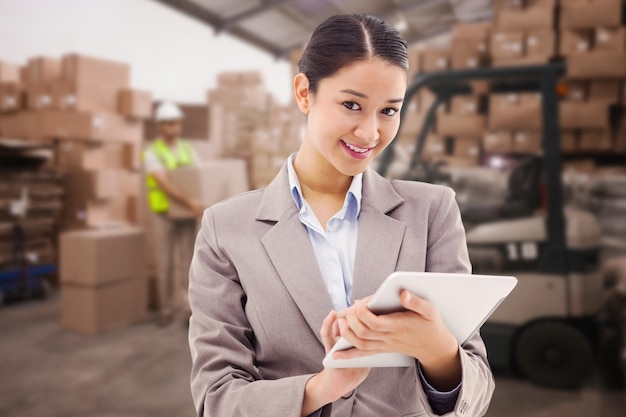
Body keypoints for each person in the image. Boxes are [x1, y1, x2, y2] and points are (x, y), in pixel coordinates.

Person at [188, 13, 494, 417]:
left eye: (389, 111)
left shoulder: (432, 212)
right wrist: (320, 388)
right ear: (304, 93)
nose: (370, 133)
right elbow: (216, 399)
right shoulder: (226, 229)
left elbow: (478, 389)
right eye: (352, 104)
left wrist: (437, 349)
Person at [143, 101, 204, 327]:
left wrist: (199, 204)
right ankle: (166, 309)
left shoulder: (188, 149)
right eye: (169, 124)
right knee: (166, 263)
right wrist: (191, 203)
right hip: (165, 214)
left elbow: (200, 176)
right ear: (160, 127)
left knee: (189, 263)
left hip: (187, 215)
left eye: (177, 123)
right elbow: (164, 183)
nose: (174, 128)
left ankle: (189, 310)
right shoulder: (152, 153)